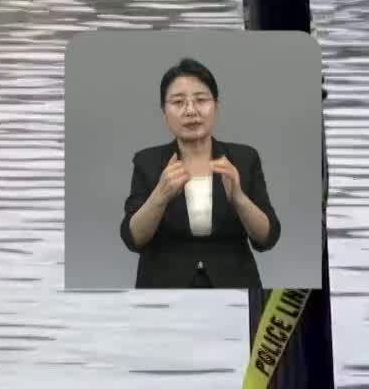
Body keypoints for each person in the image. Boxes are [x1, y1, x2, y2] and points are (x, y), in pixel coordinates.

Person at [119, 57, 280, 288]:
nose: (191, 110)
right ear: (164, 113)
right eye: (178, 102)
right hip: (163, 286)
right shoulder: (148, 162)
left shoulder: (244, 159)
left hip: (235, 284)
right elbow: (133, 239)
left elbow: (267, 238)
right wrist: (159, 196)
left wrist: (239, 198)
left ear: (216, 107)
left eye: (201, 100)